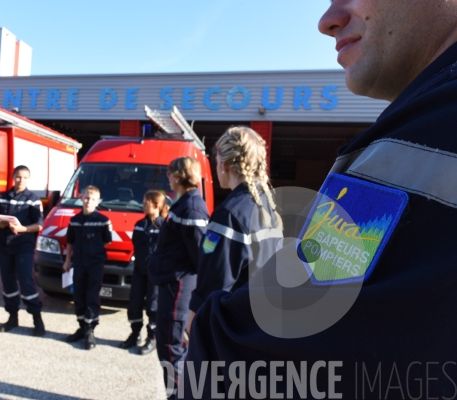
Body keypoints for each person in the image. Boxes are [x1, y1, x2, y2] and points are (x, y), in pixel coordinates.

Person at [181, 1, 457, 398]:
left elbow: (256, 361)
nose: (327, 20)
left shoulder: (422, 140)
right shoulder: (267, 208)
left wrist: (206, 329)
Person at [186, 127, 283, 336]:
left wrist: (193, 323)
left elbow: (214, 282)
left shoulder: (230, 214)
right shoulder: (270, 210)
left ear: (225, 165)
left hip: (231, 329)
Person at [147, 157, 209, 398]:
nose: (168, 177)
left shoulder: (192, 207)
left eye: (171, 173)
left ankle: (177, 396)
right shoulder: (183, 203)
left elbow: (200, 256)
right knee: (169, 345)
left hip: (179, 286)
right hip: (172, 284)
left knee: (171, 348)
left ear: (181, 175)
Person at [0, 165, 45, 337]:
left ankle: (37, 318)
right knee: (8, 284)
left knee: (26, 282)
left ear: (28, 179)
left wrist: (22, 229)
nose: (20, 180)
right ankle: (12, 317)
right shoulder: (3, 197)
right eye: (18, 177)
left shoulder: (33, 199)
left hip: (23, 245)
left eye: (24, 177)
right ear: (13, 177)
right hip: (4, 245)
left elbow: (39, 225)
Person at [62, 185, 112, 350]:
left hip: (95, 263)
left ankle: (90, 330)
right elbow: (70, 241)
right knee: (79, 295)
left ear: (98, 202)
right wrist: (68, 260)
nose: (89, 201)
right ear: (81, 198)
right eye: (86, 198)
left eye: (93, 199)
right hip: (79, 262)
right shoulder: (74, 221)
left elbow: (107, 240)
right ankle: (81, 327)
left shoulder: (103, 220)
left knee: (92, 295)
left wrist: (94, 249)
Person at [119, 190, 168, 355]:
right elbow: (136, 245)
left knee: (153, 306)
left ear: (156, 205)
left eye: (146, 202)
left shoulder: (165, 226)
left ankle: (152, 337)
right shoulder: (139, 225)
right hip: (139, 270)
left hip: (156, 273)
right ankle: (135, 334)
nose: (143, 205)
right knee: (134, 303)